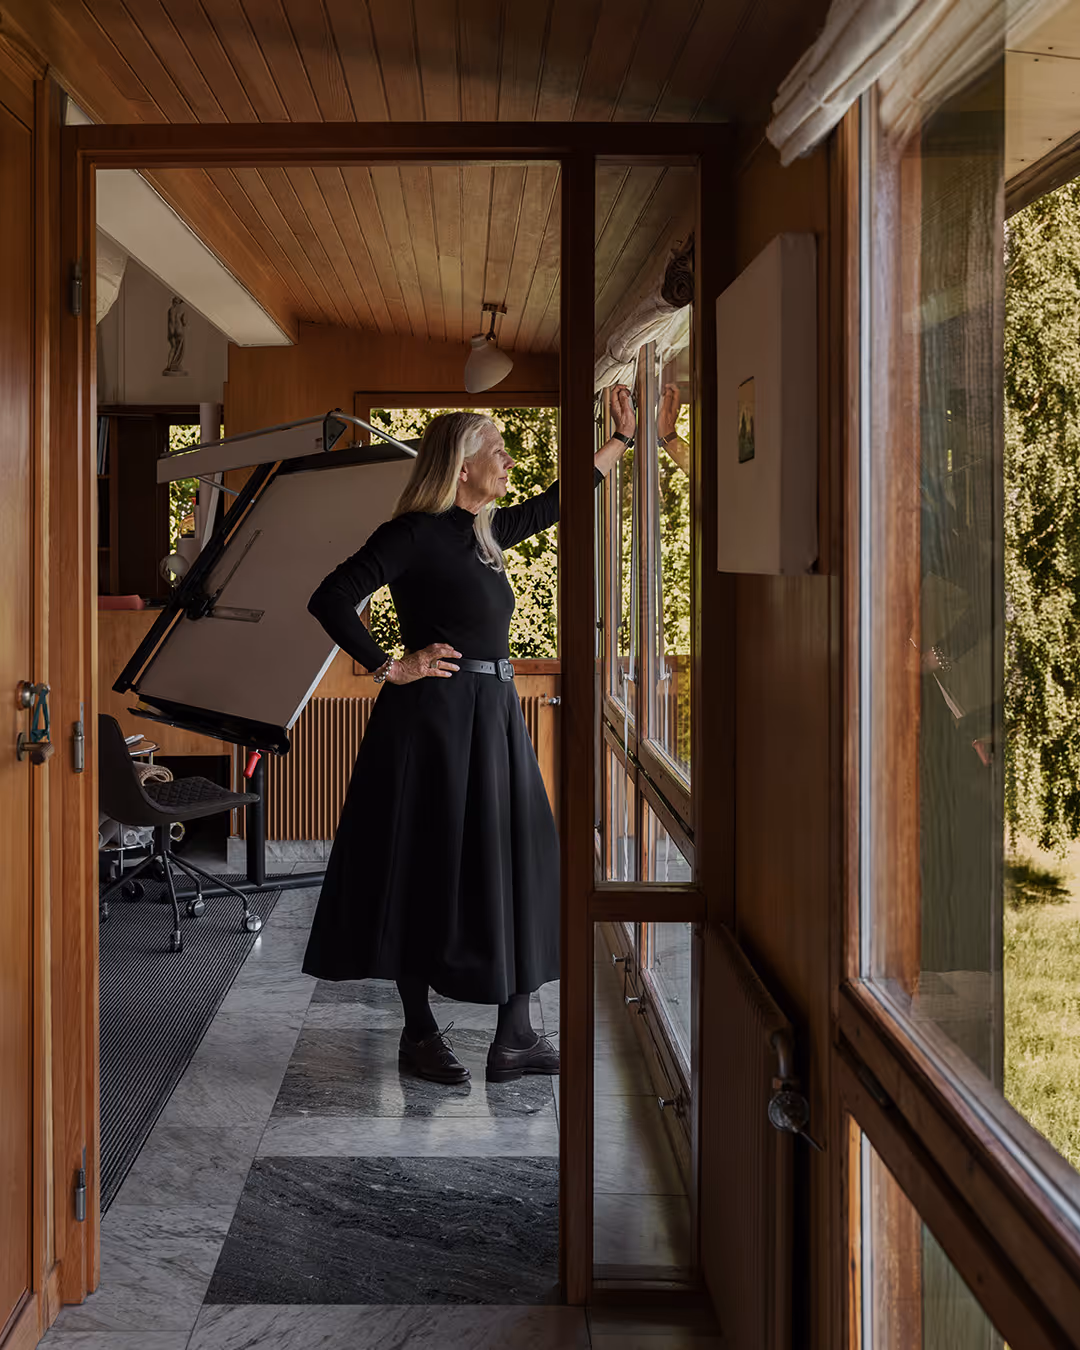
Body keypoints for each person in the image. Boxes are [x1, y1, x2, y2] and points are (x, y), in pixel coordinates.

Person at [302, 392, 637, 1085]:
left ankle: (513, 1036)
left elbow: (555, 503)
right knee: (426, 867)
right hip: (434, 725)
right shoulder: (414, 533)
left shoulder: (482, 533)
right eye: (497, 450)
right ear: (461, 466)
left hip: (494, 714)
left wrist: (622, 442)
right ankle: (420, 1034)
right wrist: (392, 665)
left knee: (525, 854)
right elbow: (331, 595)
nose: (508, 460)